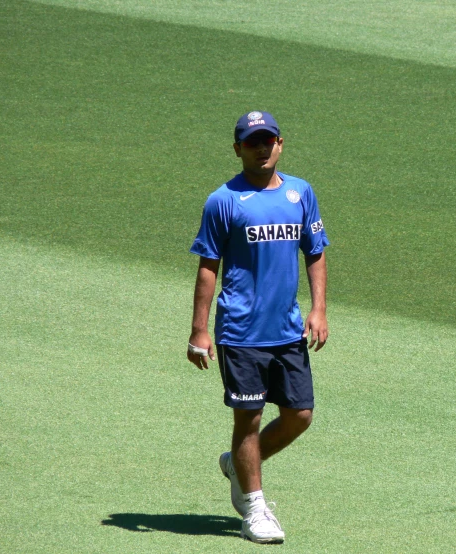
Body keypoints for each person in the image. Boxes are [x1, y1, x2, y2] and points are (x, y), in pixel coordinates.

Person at [186, 110, 329, 544]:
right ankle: (253, 508)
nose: (262, 148)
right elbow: (208, 267)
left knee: (300, 415)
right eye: (253, 142)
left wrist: (319, 309)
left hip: (287, 330)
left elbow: (316, 251)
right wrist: (199, 331)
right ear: (238, 149)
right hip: (241, 331)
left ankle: (238, 464)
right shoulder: (223, 200)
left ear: (281, 144)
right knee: (248, 419)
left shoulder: (301, 193)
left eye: (269, 140)